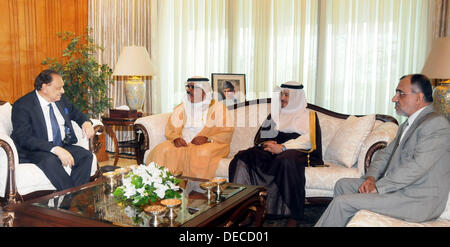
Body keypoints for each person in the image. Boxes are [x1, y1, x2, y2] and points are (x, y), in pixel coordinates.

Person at [315, 74, 450, 227]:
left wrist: (379, 187)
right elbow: (385, 155)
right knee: (343, 185)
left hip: (418, 200)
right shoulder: (410, 123)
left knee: (342, 203)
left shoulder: (437, 124)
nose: (394, 98)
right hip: (401, 190)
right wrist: (371, 178)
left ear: (418, 97)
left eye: (400, 93)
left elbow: (417, 167)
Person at [228, 81, 324, 226]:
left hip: (295, 148)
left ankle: (292, 215)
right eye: (281, 95)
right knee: (242, 157)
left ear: (297, 97)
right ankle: (245, 210)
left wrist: (284, 147)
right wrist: (265, 143)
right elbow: (262, 137)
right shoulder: (275, 113)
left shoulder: (309, 115)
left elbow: (309, 140)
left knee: (286, 161)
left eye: (286, 95)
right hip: (273, 146)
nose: (282, 98)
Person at [11, 69, 95, 191]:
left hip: (61, 144)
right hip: (36, 149)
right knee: (51, 161)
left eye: (62, 87)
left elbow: (75, 112)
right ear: (45, 87)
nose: (62, 91)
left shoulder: (61, 100)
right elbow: (24, 137)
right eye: (58, 88)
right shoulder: (23, 105)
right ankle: (74, 200)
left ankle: (70, 201)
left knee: (86, 155)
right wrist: (55, 149)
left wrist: (86, 122)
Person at [146, 76, 234, 179]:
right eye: (188, 87)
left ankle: (196, 188)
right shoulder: (181, 107)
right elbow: (171, 129)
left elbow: (226, 132)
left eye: (192, 87)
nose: (188, 90)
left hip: (210, 143)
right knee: (162, 149)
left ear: (203, 90)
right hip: (184, 142)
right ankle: (162, 185)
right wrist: (176, 138)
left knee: (201, 153)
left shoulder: (218, 108)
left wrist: (207, 138)